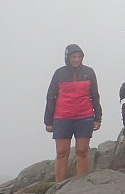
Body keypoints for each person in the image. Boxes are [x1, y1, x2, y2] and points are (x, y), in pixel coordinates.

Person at [44, 44, 102, 183]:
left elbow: (95, 95)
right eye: (73, 57)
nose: (76, 60)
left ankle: (79, 186)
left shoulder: (89, 72)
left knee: (82, 152)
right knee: (62, 153)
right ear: (67, 58)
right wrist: (48, 121)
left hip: (85, 116)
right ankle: (59, 186)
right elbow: (51, 96)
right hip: (62, 118)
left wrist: (97, 117)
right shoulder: (59, 73)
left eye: (79, 57)